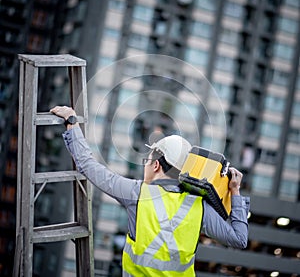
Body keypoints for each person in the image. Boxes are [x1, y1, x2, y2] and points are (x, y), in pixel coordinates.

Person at [50, 105, 250, 277]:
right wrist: (235, 192)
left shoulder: (136, 194)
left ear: (155, 165)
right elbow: (239, 239)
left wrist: (71, 121)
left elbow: (88, 166)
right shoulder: (199, 207)